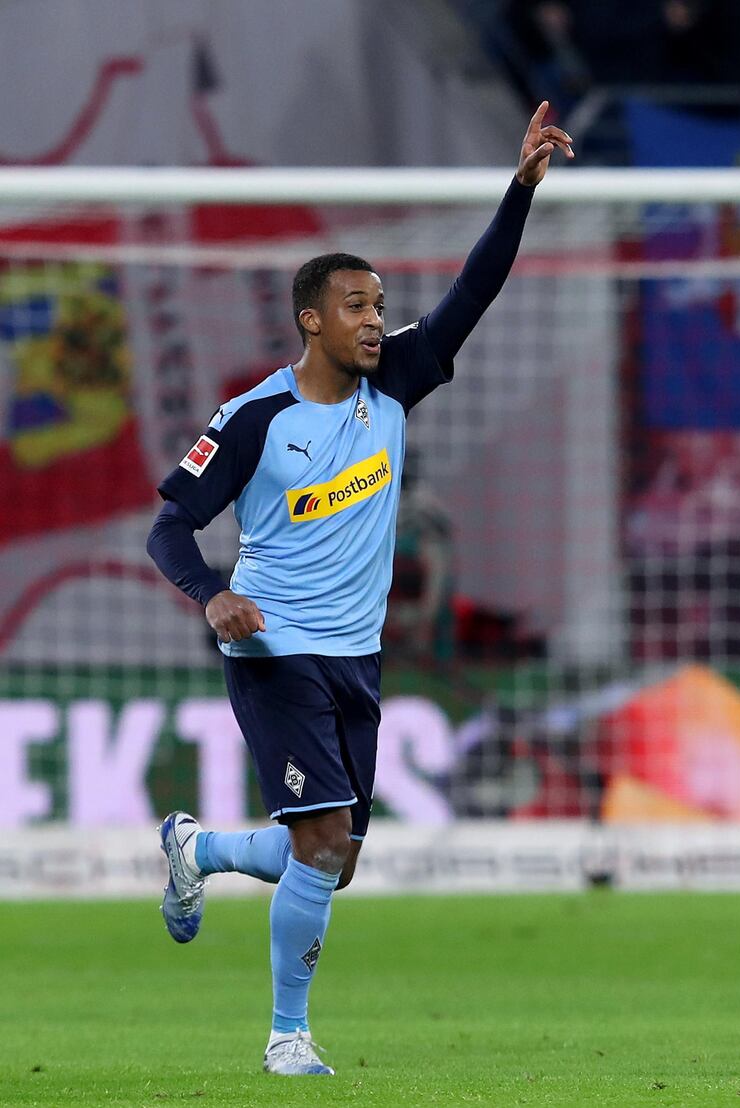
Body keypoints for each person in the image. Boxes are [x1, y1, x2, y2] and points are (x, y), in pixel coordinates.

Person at [146, 102, 573, 1078]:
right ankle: (285, 1034)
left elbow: (474, 292)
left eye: (379, 304)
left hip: (355, 653)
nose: (375, 318)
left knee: (328, 856)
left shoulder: (396, 386)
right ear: (311, 318)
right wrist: (210, 593)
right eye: (355, 305)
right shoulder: (254, 417)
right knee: (326, 832)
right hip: (271, 649)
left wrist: (520, 190)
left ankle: (198, 851)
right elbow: (169, 522)